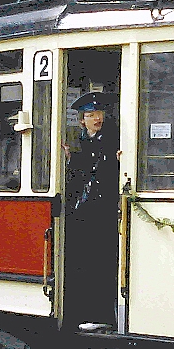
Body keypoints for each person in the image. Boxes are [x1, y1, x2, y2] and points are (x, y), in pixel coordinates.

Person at [63, 91, 120, 332]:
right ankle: (84, 312)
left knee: (100, 262)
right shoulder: (82, 141)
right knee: (84, 262)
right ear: (82, 120)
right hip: (84, 211)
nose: (97, 118)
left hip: (102, 211)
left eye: (99, 113)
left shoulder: (112, 138)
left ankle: (101, 313)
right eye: (90, 114)